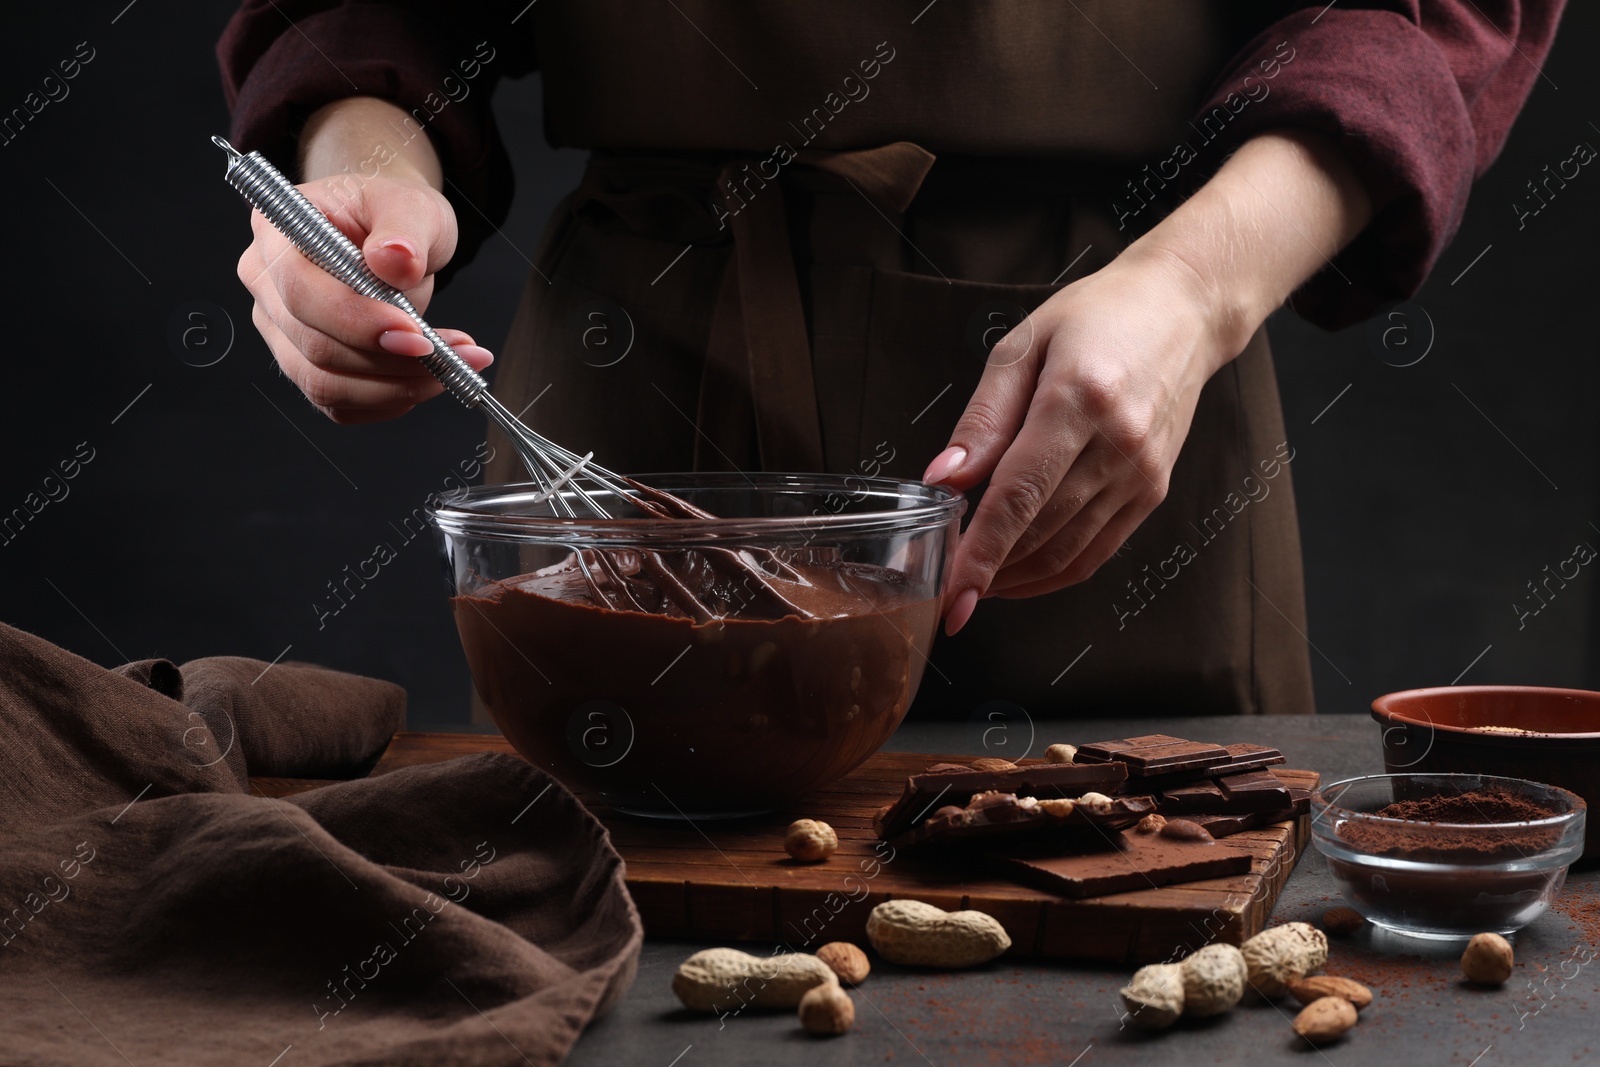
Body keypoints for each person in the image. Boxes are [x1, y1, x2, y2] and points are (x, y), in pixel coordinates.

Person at [219, 1, 1564, 719]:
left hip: (1101, 397)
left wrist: (1194, 290)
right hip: (644, 377)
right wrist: (359, 176)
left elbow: (1425, 13)